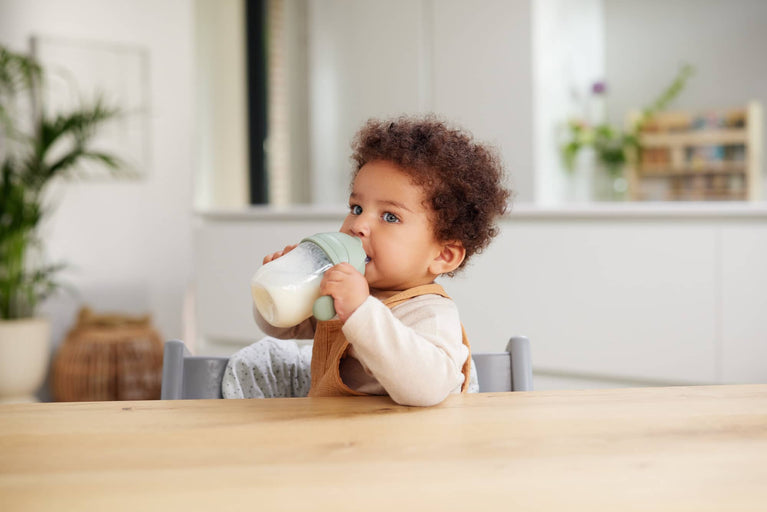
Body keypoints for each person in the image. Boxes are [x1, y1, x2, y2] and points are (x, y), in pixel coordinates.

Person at [223, 115, 510, 406]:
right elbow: (280, 327)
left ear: (443, 255)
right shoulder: (345, 290)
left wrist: (360, 311)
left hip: (409, 445)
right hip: (343, 440)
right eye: (357, 208)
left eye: (390, 216)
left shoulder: (431, 315)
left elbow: (426, 388)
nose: (358, 225)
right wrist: (286, 283)